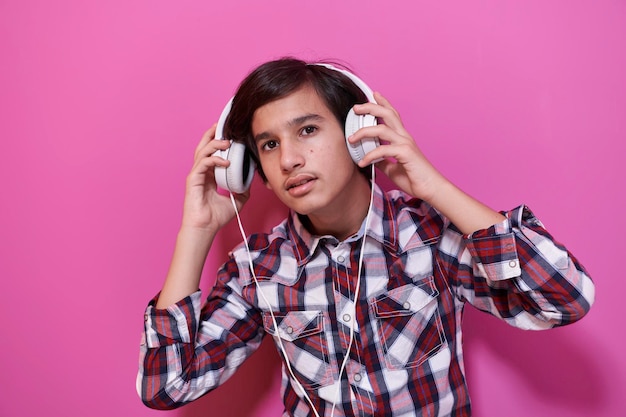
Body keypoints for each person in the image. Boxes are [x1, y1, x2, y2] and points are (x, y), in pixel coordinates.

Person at [136, 57, 595, 417]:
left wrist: (430, 185)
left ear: (359, 135)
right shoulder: (259, 268)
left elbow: (564, 298)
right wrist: (195, 232)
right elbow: (166, 386)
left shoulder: (429, 234)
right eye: (269, 144)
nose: (290, 158)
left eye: (308, 130)